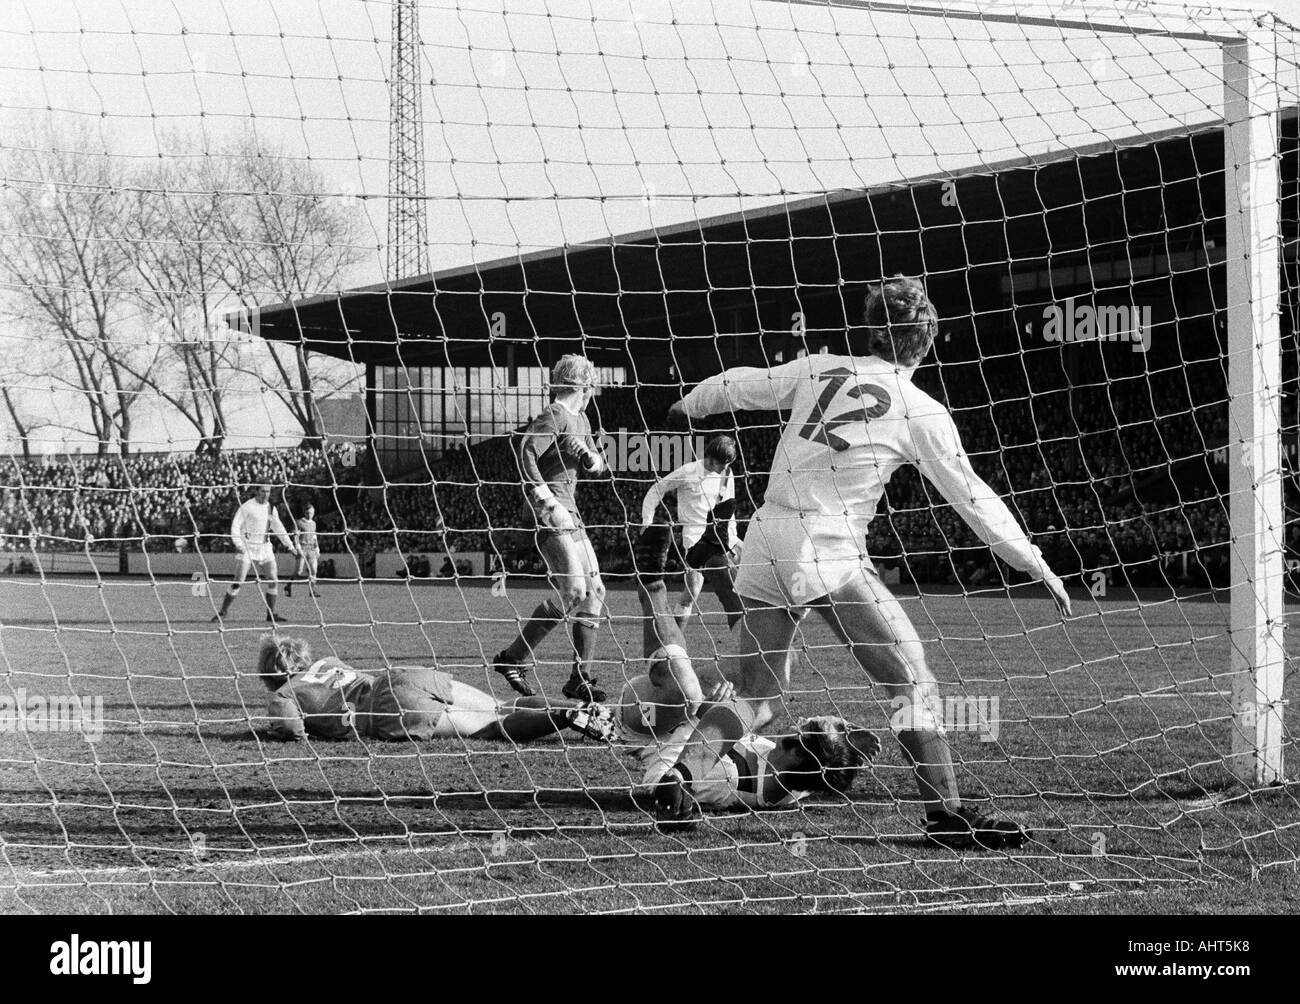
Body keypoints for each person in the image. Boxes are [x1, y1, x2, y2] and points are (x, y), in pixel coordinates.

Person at [663, 275, 1072, 850]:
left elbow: (739, 385)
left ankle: (681, 778)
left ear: (869, 329)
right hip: (826, 545)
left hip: (764, 534)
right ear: (925, 343)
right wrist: (1034, 562)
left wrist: (691, 400)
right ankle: (946, 813)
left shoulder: (819, 367)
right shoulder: (918, 408)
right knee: (911, 678)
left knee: (758, 693)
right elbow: (973, 497)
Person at [494, 354, 608, 703]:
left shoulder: (581, 420)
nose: (593, 392)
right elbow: (526, 452)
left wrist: (587, 457)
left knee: (596, 592)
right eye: (591, 386)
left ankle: (580, 679)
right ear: (584, 386)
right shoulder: (555, 414)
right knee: (574, 591)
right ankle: (512, 658)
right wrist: (548, 501)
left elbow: (599, 464)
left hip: (571, 512)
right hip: (550, 513)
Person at [256, 635, 618, 744]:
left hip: (388, 709)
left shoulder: (284, 692)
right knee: (500, 704)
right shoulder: (330, 660)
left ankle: (566, 716)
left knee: (488, 728)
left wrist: (293, 732)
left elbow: (290, 727)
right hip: (401, 676)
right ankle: (589, 710)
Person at [639, 433, 745, 630]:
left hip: (724, 537)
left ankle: (755, 628)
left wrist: (735, 539)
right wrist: (647, 520)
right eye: (723, 463)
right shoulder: (688, 471)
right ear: (711, 457)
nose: (725, 467)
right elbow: (657, 489)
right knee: (695, 590)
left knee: (755, 571)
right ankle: (675, 640)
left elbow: (728, 510)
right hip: (696, 539)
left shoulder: (727, 474)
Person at [211, 485, 299, 624]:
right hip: (247, 548)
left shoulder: (271, 507)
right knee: (238, 582)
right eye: (263, 491)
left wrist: (290, 546)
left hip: (265, 548)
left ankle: (270, 614)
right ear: (257, 491)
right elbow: (235, 525)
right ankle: (223, 612)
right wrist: (238, 544)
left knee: (273, 580)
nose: (266, 494)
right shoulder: (247, 506)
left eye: (268, 491)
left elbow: (278, 527)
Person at [284, 503, 321, 599]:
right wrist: (298, 547)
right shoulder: (299, 522)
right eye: (308, 513)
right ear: (305, 512)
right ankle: (288, 586)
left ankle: (312, 591)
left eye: (312, 513)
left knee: (314, 571)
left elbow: (314, 536)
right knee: (299, 572)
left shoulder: (314, 523)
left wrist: (317, 548)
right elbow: (296, 536)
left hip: (311, 549)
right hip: (303, 549)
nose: (310, 515)